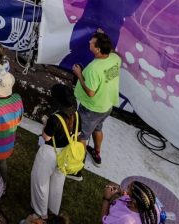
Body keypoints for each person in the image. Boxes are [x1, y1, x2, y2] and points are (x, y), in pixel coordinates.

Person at [71, 29, 121, 166]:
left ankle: (77, 164)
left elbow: (90, 93)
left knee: (81, 136)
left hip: (91, 109)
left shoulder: (94, 69)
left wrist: (79, 74)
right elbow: (113, 51)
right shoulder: (115, 58)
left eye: (92, 43)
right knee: (98, 128)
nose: (89, 42)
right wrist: (104, 37)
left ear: (98, 50)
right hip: (106, 106)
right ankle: (97, 153)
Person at [31, 85, 82, 217]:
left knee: (41, 183)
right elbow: (78, 133)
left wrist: (45, 125)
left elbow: (46, 137)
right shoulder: (77, 115)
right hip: (66, 154)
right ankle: (53, 212)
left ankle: (41, 214)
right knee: (57, 184)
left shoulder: (55, 118)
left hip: (49, 153)